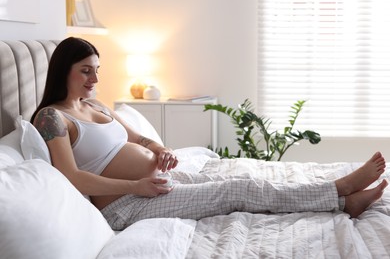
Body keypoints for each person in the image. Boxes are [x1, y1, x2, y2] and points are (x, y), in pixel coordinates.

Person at [31, 37, 388, 231]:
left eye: (97, 71)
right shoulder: (53, 118)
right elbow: (74, 179)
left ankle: (344, 201)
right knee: (238, 189)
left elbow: (138, 140)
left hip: (155, 181)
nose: (95, 79)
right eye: (86, 71)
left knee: (243, 179)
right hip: (126, 205)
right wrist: (135, 186)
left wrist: (161, 149)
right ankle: (337, 190)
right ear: (64, 70)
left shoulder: (98, 106)